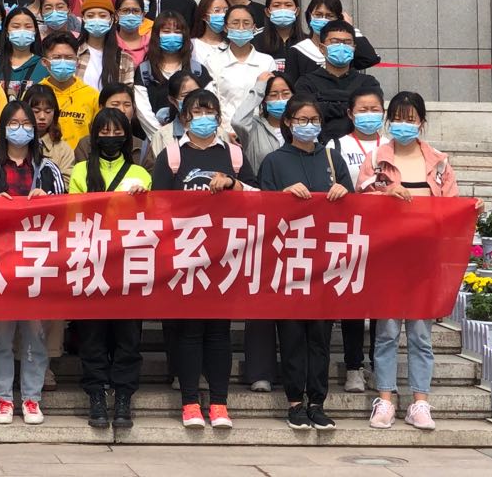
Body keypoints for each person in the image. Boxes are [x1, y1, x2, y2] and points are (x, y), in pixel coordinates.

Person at [357, 91, 468, 432]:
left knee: (421, 334)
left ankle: (420, 402)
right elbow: (359, 201)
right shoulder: (376, 159)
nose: (403, 124)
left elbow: (452, 207)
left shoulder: (439, 162)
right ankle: (385, 400)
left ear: (421, 122)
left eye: (410, 118)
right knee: (387, 332)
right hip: (388, 258)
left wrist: (469, 210)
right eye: (397, 118)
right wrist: (384, 193)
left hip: (424, 260)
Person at [149, 89, 256, 430]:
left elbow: (260, 198)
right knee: (190, 331)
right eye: (197, 112)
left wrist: (233, 184)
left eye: (210, 111)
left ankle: (220, 403)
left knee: (219, 332)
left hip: (225, 256)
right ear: (184, 118)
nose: (204, 118)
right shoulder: (171, 156)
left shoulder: (234, 155)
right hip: (185, 257)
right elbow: (157, 206)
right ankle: (190, 403)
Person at [257, 94, 353, 431]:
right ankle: (295, 401)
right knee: (293, 334)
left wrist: (344, 194)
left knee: (320, 337)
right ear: (288, 122)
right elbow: (261, 209)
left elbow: (355, 207)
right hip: (289, 262)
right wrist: (282, 197)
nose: (308, 126)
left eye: (314, 120)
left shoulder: (332, 159)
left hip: (325, 262)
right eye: (301, 120)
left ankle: (317, 401)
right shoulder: (274, 161)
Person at [0, 98, 61, 424]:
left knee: (35, 335)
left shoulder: (47, 169)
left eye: (26, 124)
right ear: (3, 128)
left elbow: (68, 213)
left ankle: (32, 399)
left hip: (37, 263)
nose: (20, 129)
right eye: (14, 124)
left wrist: (48, 200)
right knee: (0, 336)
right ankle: (4, 398)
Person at [69, 108, 151, 431]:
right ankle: (96, 395)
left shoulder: (140, 174)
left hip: (129, 266)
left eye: (118, 132)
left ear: (127, 136)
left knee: (128, 338)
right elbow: (72, 213)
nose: (111, 137)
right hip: (91, 264)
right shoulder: (79, 171)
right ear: (94, 136)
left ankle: (123, 398)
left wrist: (143, 199)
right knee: (92, 337)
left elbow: (151, 217)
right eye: (104, 132)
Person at [232, 72, 295, 392]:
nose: (280, 100)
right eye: (274, 94)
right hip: (260, 216)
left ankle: (294, 369)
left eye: (286, 94)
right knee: (260, 296)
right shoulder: (253, 128)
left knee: (293, 297)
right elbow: (237, 119)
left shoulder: (301, 128)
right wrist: (259, 86)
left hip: (298, 220)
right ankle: (260, 371)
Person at [333, 85, 388, 395]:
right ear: (350, 114)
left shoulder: (393, 145)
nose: (369, 115)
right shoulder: (337, 145)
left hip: (387, 233)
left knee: (381, 302)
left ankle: (378, 365)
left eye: (374, 110)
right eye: (362, 110)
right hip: (351, 230)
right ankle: (353, 367)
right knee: (353, 299)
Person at [294, 20, 384, 140]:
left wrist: (322, 99)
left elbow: (373, 111)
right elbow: (305, 113)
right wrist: (350, 102)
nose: (342, 46)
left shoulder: (368, 83)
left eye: (347, 43)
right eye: (335, 42)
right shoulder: (306, 82)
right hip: (319, 147)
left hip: (361, 146)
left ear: (354, 48)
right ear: (322, 48)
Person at [133, 12, 209, 140]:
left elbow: (209, 105)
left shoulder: (198, 71)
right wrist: (163, 138)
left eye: (177, 31)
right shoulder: (144, 71)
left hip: (195, 139)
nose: (172, 36)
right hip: (156, 140)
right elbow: (143, 112)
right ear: (156, 35)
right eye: (166, 31)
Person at [206, 4, 277, 126]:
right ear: (225, 27)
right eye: (235, 23)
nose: (241, 28)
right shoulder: (213, 61)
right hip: (224, 130)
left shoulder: (266, 61)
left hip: (258, 129)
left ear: (254, 27)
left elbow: (271, 99)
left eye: (246, 23)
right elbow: (210, 101)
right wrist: (223, 130)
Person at [286, 0, 383, 81]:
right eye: (318, 15)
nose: (323, 19)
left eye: (330, 16)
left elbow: (370, 59)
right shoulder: (298, 51)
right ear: (309, 16)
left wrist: (350, 28)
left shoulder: (344, 49)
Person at [38, 32, 99, 146]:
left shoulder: (92, 96)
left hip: (81, 156)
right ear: (45, 62)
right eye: (57, 57)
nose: (63, 62)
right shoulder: (35, 93)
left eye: (69, 58)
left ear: (77, 61)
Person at [75, 0, 131, 91]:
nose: (97, 20)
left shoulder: (124, 59)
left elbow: (127, 95)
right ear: (83, 18)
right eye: (90, 16)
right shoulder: (73, 53)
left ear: (112, 18)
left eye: (102, 16)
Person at [0, 6, 46, 105]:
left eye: (28, 26)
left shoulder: (44, 66)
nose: (22, 31)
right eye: (16, 26)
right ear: (6, 32)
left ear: (35, 31)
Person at [256, 0, 306, 70]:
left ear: (297, 11)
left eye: (288, 5)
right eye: (276, 5)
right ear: (267, 12)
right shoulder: (256, 42)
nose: (283, 9)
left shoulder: (307, 43)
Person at [114, 0, 153, 68]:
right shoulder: (109, 42)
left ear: (143, 15)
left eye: (136, 11)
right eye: (125, 10)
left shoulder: (152, 44)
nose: (131, 15)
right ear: (116, 15)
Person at [191, 0, 230, 67]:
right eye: (217, 10)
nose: (223, 15)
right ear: (204, 16)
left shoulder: (232, 44)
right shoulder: (192, 45)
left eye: (226, 11)